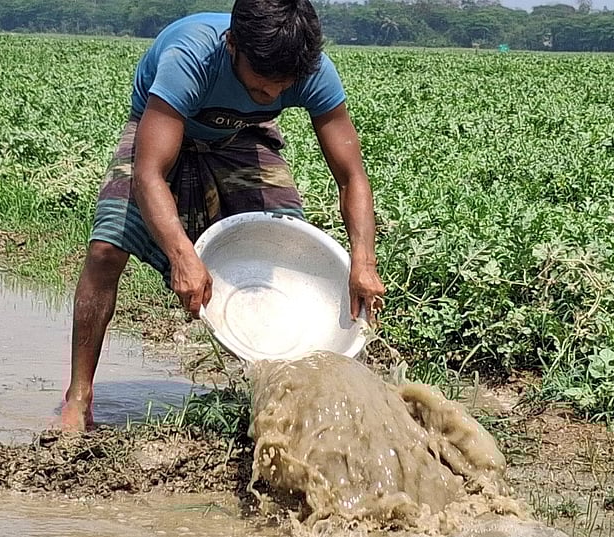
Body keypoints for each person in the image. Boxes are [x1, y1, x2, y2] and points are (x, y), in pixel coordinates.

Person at [59, 0, 387, 431]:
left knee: (288, 245)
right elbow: (149, 173)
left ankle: (277, 398)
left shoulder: (312, 70)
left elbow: (351, 177)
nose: (272, 95)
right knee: (105, 250)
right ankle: (79, 397)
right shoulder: (189, 57)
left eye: (282, 85)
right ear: (233, 44)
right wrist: (182, 255)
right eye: (261, 83)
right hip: (163, 129)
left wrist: (363, 261)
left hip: (242, 136)